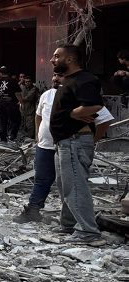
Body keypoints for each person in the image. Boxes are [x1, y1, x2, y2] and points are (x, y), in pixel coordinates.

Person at [13, 72, 115, 224]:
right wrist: (37, 133)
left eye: (60, 75)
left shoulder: (79, 96)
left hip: (68, 147)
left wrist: (92, 141)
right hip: (45, 146)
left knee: (70, 185)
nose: (55, 78)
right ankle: (33, 210)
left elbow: (105, 120)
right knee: (41, 179)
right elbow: (38, 114)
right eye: (54, 75)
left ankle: (77, 223)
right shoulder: (47, 95)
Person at [48, 45, 107, 245]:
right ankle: (68, 225)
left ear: (70, 59)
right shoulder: (68, 80)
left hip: (75, 141)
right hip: (65, 142)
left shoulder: (85, 79)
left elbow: (96, 105)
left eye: (57, 56)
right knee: (66, 186)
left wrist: (73, 114)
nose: (52, 60)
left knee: (75, 186)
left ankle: (88, 231)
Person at [0, 66, 23, 143]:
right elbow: (17, 93)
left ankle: (3, 138)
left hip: (0, 102)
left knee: (2, 121)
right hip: (11, 102)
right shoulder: (13, 81)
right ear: (8, 73)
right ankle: (12, 136)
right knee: (16, 119)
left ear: (1, 73)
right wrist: (22, 103)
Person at [18, 75, 40, 140]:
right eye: (26, 82)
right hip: (24, 110)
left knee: (30, 126)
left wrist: (20, 101)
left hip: (31, 110)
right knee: (25, 126)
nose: (27, 83)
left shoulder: (34, 89)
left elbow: (29, 97)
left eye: (29, 82)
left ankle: (30, 139)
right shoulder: (24, 88)